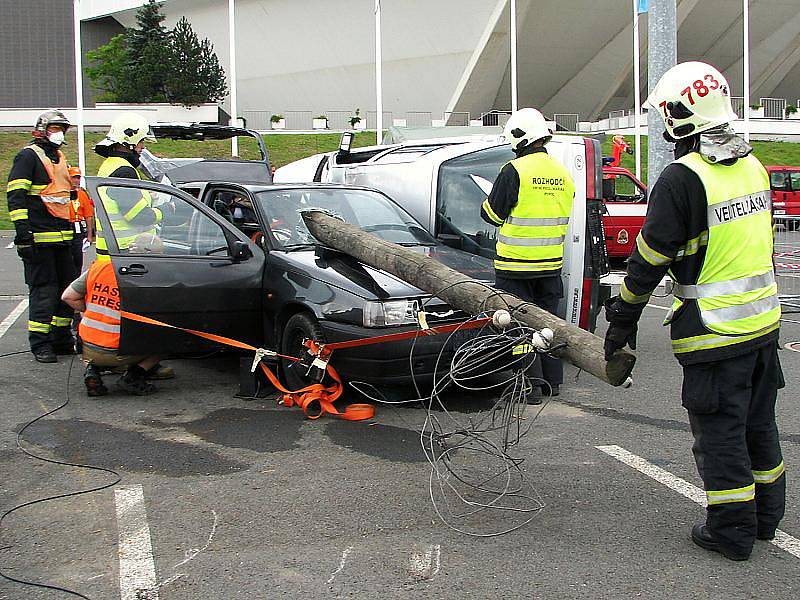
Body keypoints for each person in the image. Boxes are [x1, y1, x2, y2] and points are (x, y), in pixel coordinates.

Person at [603, 61, 785, 561]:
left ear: (680, 117)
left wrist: (622, 321)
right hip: (762, 328)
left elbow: (648, 261)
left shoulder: (682, 179)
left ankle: (731, 533)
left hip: (715, 333)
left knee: (721, 435)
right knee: (758, 425)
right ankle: (767, 518)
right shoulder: (753, 166)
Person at [480, 107, 575, 400]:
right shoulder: (562, 173)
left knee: (519, 326)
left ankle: (530, 384)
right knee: (548, 324)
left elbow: (493, 215)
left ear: (519, 139)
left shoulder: (514, 170)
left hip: (515, 265)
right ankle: (552, 382)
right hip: (550, 265)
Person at [6, 110, 77, 362]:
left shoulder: (59, 156)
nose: (59, 134)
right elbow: (16, 196)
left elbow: (64, 197)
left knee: (67, 290)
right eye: (55, 128)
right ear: (42, 129)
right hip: (38, 238)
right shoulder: (28, 157)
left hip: (62, 238)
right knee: (44, 291)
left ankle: (61, 338)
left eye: (62, 129)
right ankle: (41, 343)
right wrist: (23, 235)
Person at [62, 233, 167, 396]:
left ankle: (92, 370)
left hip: (86, 349)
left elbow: (68, 296)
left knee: (93, 338)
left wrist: (91, 309)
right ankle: (135, 376)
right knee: (166, 340)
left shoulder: (100, 267)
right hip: (121, 350)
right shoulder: (148, 276)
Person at [94, 112, 174, 255]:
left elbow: (121, 201)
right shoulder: (125, 171)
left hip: (113, 252)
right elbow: (138, 216)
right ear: (129, 141)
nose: (143, 147)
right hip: (126, 253)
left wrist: (148, 196)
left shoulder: (110, 165)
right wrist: (167, 210)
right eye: (141, 141)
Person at [67, 166, 95, 274]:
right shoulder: (62, 193)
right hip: (66, 227)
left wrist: (89, 236)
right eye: (74, 177)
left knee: (78, 259)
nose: (77, 181)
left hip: (78, 229)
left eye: (78, 178)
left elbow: (88, 215)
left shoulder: (82, 194)